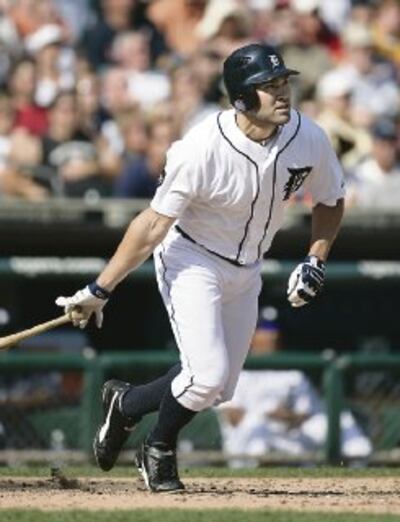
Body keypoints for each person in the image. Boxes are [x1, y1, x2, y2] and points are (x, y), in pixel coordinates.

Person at [55, 43, 345, 492]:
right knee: (205, 376)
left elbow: (331, 198)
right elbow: (152, 224)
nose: (282, 92)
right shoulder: (200, 146)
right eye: (268, 86)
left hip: (248, 267)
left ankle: (127, 404)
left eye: (283, 82)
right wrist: (100, 288)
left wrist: (315, 258)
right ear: (241, 97)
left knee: (218, 387)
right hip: (191, 258)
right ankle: (158, 449)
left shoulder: (308, 137)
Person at [216, 307, 372, 468]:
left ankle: (357, 462)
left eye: (275, 329)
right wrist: (267, 414)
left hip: (287, 435)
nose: (272, 335)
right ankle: (261, 468)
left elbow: (306, 414)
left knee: (338, 419)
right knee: (256, 422)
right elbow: (232, 417)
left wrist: (288, 416)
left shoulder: (292, 373)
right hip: (248, 442)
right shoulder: (237, 369)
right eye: (265, 329)